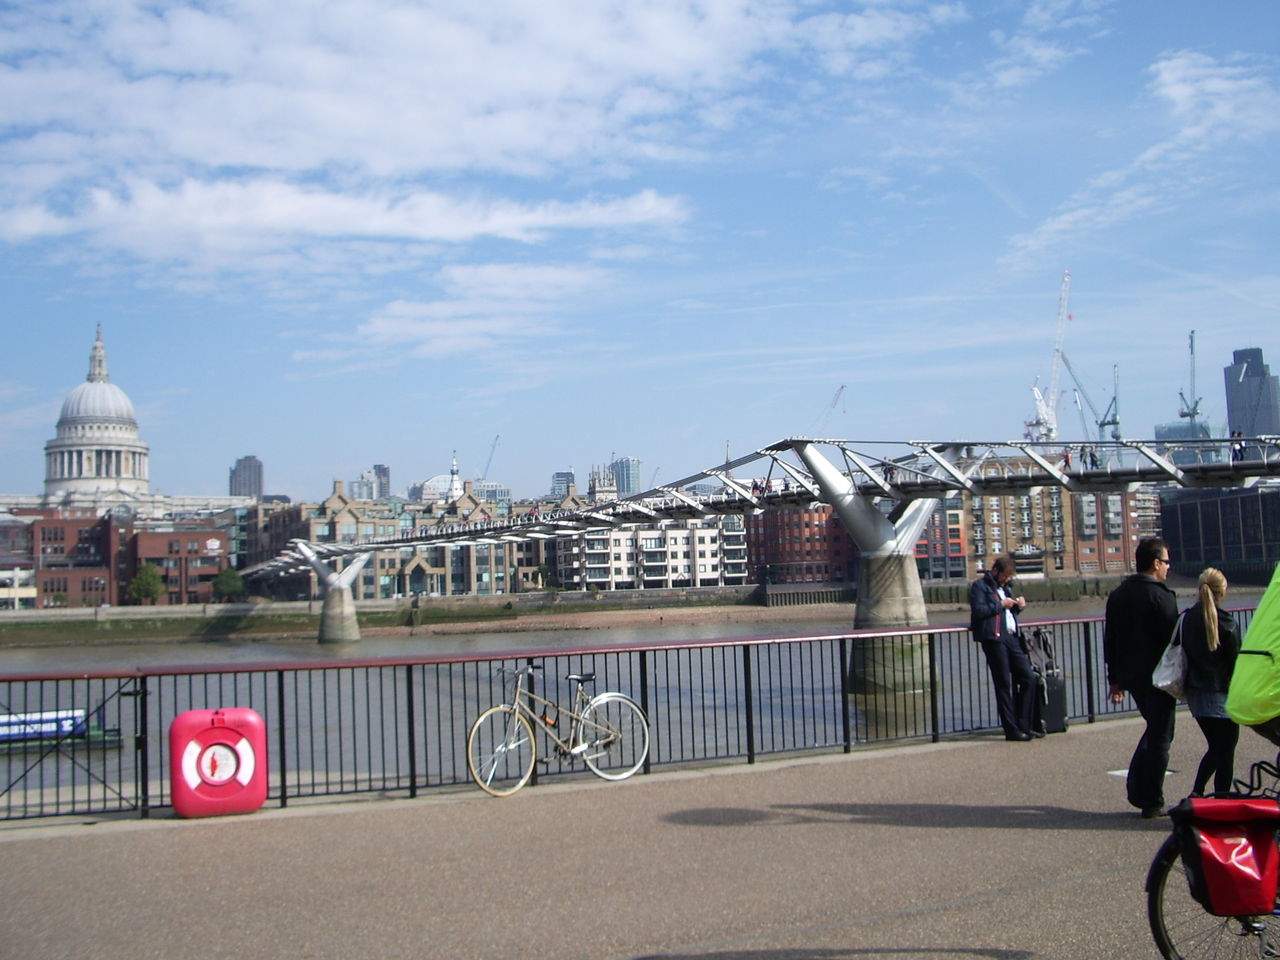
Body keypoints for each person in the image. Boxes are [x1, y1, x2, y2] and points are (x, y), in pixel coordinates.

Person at [1104, 537, 1179, 817]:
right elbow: (1175, 641)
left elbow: (1110, 640)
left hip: (1132, 677)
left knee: (1155, 728)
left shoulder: (1119, 594)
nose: (1169, 568)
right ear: (1156, 563)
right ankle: (1150, 798)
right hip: (1160, 678)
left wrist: (1115, 679)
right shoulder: (1161, 596)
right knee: (1161, 736)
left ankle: (1139, 787)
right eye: (1167, 562)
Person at [1181, 567, 1241, 797]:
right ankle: (1220, 799)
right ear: (1221, 592)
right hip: (1221, 694)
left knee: (1216, 747)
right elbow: (1235, 663)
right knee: (1225, 751)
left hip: (1196, 694)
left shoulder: (1186, 619)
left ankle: (1198, 793)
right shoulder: (1227, 622)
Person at [969, 556, 1038, 741]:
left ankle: (1025, 725)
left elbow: (1007, 614)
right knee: (1004, 684)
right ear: (996, 571)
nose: (1007, 580)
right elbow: (979, 612)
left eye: (1009, 577)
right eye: (1005, 576)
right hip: (994, 639)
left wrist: (1017, 607)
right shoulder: (980, 587)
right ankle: (1012, 730)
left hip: (1011, 637)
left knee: (1028, 678)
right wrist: (1000, 604)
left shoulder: (1005, 588)